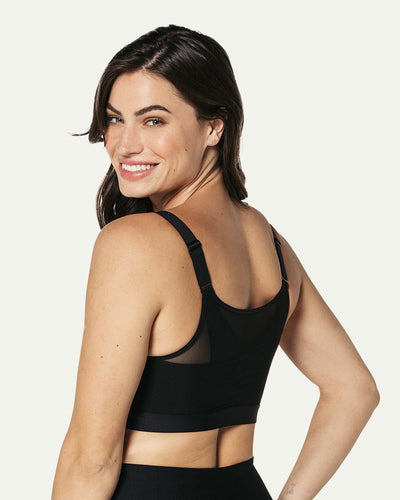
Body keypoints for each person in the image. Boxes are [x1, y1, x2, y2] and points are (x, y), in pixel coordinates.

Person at [51, 24, 380, 500]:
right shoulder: (271, 245)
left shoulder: (134, 243)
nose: (124, 144)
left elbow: (91, 457)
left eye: (153, 121)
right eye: (115, 119)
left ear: (214, 127)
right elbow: (354, 389)